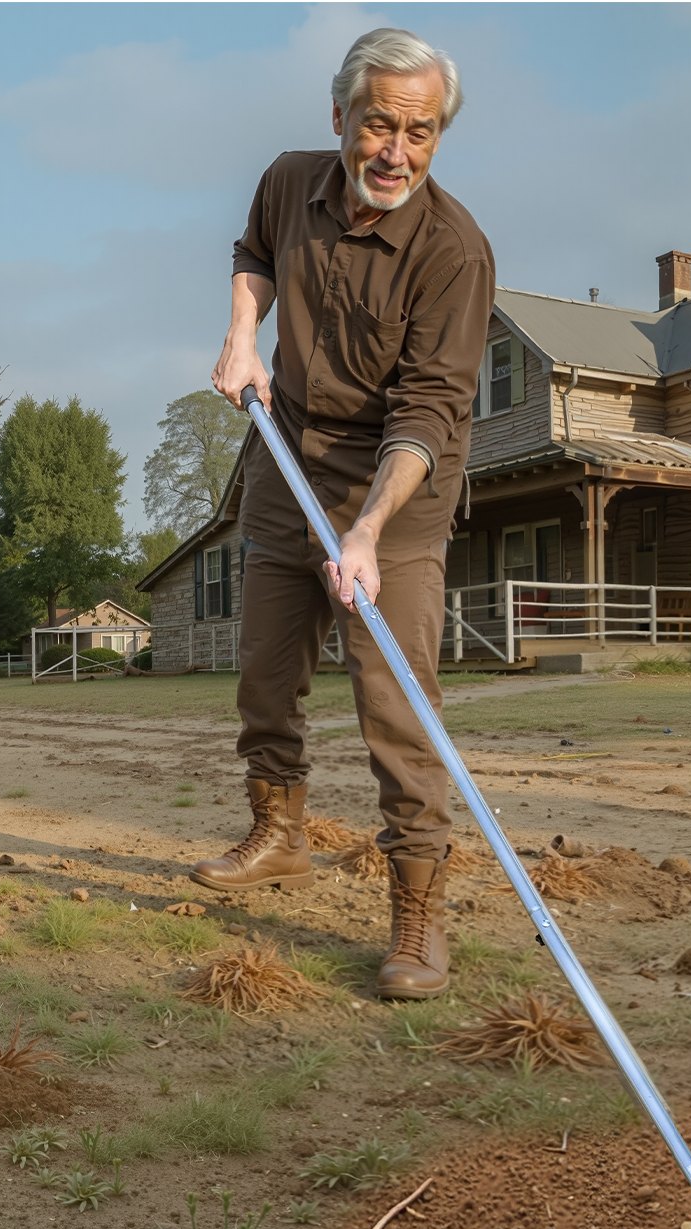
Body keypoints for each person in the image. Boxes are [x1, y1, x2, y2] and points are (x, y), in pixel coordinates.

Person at [193, 27, 494, 1002]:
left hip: (396, 493)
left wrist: (366, 531)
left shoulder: (452, 251)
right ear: (340, 120)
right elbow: (252, 254)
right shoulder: (288, 182)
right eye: (378, 125)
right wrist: (244, 336)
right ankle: (278, 834)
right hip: (288, 462)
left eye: (420, 131)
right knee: (265, 672)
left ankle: (418, 910)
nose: (395, 152)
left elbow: (430, 411)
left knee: (395, 706)